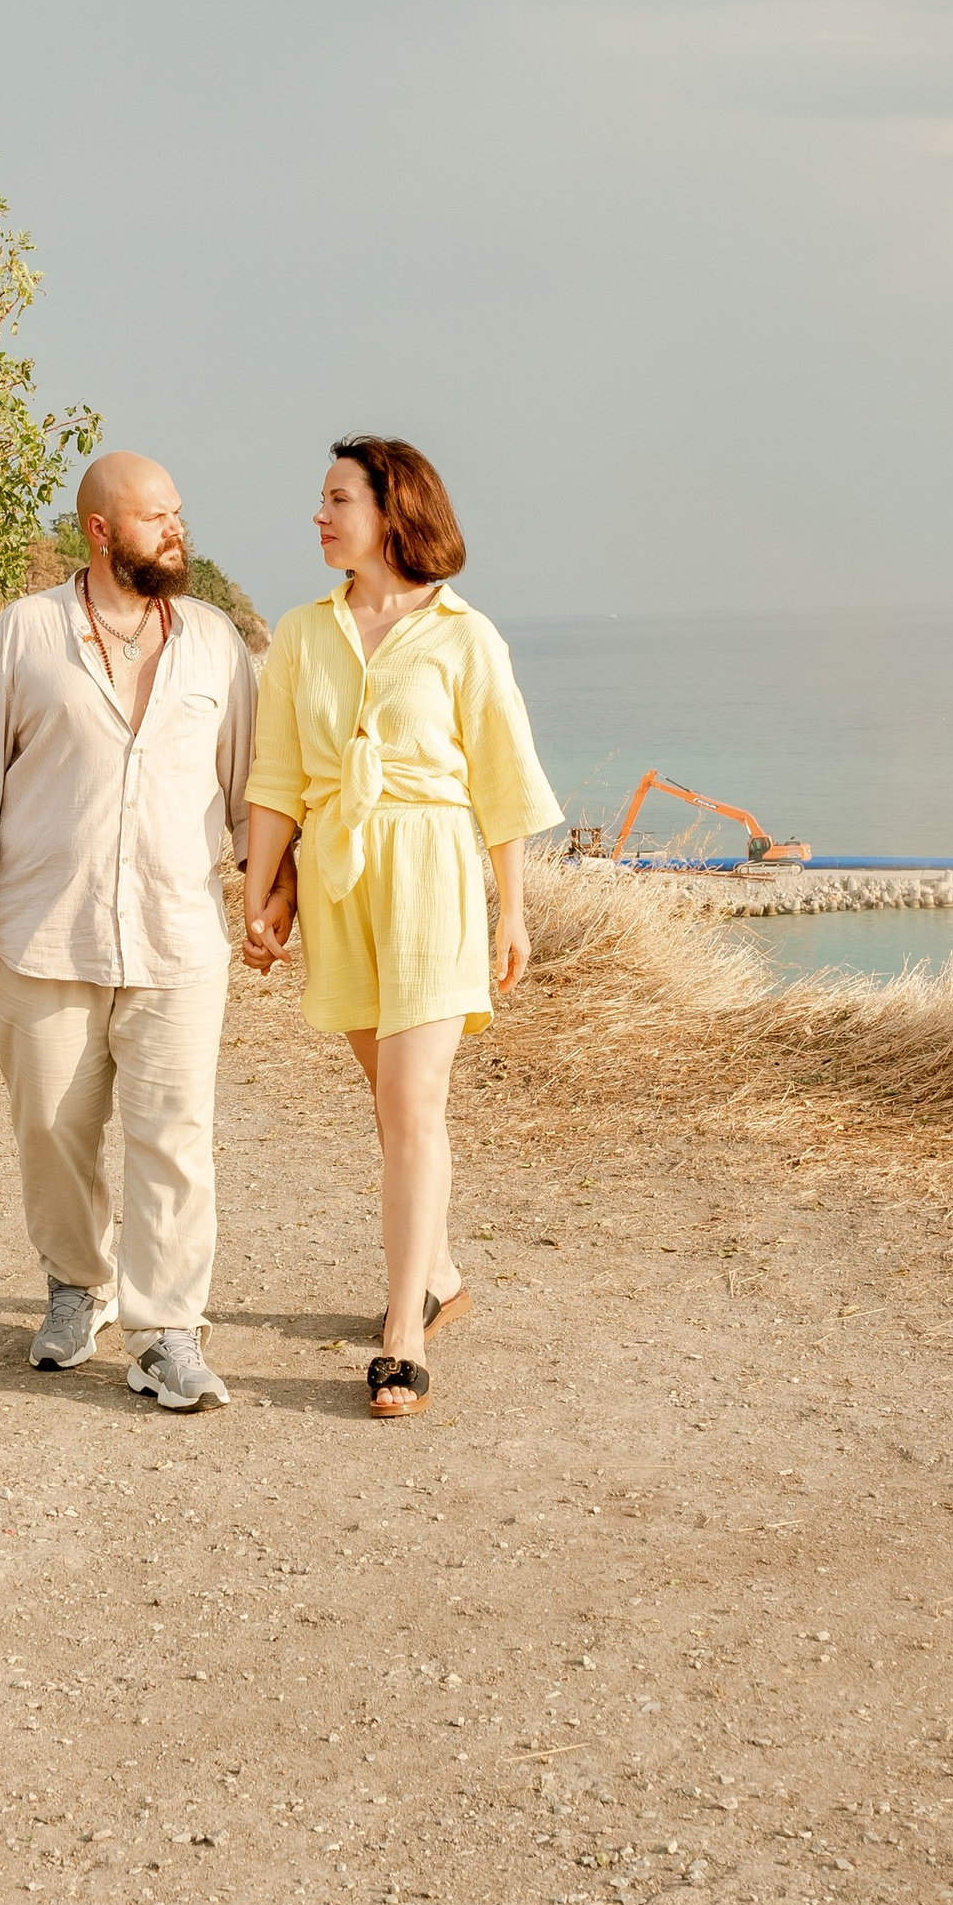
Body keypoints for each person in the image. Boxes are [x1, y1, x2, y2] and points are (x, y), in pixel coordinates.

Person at [0, 450, 286, 1412]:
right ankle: (75, 1286)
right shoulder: (25, 634)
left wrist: (267, 895)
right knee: (52, 1129)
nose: (178, 530)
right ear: (100, 532)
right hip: (46, 931)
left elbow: (252, 787)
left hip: (178, 937)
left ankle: (169, 1330)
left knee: (176, 1136)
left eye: (178, 512)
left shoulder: (215, 643)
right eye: (156, 518)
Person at [243, 434, 562, 1418]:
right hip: (339, 880)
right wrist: (261, 897)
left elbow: (504, 782)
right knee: (391, 1105)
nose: (320, 515)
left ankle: (402, 1334)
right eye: (322, 499)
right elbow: (276, 780)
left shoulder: (466, 634)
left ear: (393, 511)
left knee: (414, 1106)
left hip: (431, 876)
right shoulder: (300, 633)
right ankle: (442, 1275)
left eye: (338, 498)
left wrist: (513, 910)